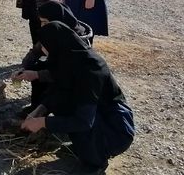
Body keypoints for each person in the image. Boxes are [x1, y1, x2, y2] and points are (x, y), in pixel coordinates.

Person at [20, 22, 135, 174]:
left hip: (115, 128)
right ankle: (86, 148)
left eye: (45, 45)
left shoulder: (90, 69)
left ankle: (96, 162)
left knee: (74, 116)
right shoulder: (71, 58)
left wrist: (42, 122)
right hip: (97, 116)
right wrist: (39, 111)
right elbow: (58, 90)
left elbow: (83, 121)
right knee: (61, 103)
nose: (42, 49)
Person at [15, 0, 93, 115]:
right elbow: (35, 51)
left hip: (74, 80)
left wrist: (37, 75)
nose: (42, 26)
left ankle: (57, 114)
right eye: (41, 22)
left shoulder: (74, 39)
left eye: (45, 22)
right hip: (61, 68)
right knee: (36, 66)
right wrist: (23, 67)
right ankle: (37, 107)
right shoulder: (54, 31)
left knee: (40, 73)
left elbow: (67, 72)